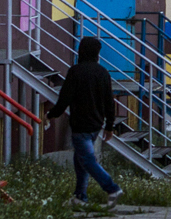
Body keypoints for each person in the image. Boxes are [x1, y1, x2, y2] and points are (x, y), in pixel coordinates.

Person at [49, 35, 122, 206]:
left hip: (80, 125)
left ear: (80, 51)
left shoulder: (75, 71)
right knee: (80, 159)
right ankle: (80, 196)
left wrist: (51, 114)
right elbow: (109, 102)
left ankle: (112, 188)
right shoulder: (103, 73)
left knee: (88, 160)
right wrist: (109, 126)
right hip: (96, 125)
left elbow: (64, 99)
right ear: (97, 53)